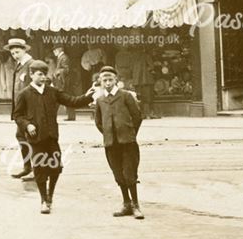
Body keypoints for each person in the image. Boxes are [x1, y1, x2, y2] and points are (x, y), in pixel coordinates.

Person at [12, 60, 95, 214]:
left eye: (45, 74)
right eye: (40, 74)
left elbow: (72, 101)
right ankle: (44, 199)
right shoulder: (24, 94)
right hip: (36, 139)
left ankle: (50, 195)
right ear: (31, 75)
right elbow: (17, 115)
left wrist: (88, 96)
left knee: (56, 168)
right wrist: (27, 125)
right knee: (39, 169)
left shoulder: (52, 91)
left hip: (51, 137)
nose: (43, 77)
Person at [93, 66, 145, 219]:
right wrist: (108, 133)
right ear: (100, 82)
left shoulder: (126, 96)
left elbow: (137, 117)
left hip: (127, 142)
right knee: (118, 174)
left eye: (110, 79)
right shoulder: (100, 100)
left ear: (116, 80)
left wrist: (130, 133)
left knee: (129, 173)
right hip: (111, 143)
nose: (108, 83)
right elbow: (98, 122)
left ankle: (136, 204)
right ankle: (126, 203)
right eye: (104, 80)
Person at [4, 38, 34, 180]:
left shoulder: (31, 65)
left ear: (24, 50)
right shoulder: (20, 65)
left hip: (29, 110)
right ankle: (28, 167)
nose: (15, 55)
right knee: (22, 136)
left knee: (31, 138)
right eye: (13, 53)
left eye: (17, 52)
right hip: (21, 110)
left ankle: (35, 169)